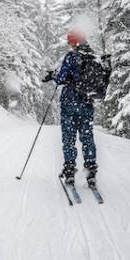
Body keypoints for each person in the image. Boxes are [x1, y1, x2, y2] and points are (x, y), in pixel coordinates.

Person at [42, 30, 99, 187]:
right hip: (87, 103)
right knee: (87, 138)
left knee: (69, 138)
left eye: (70, 42)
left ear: (75, 42)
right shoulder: (94, 57)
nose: (70, 45)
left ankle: (69, 172)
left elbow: (61, 78)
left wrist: (53, 76)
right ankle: (91, 172)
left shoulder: (71, 56)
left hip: (70, 103)